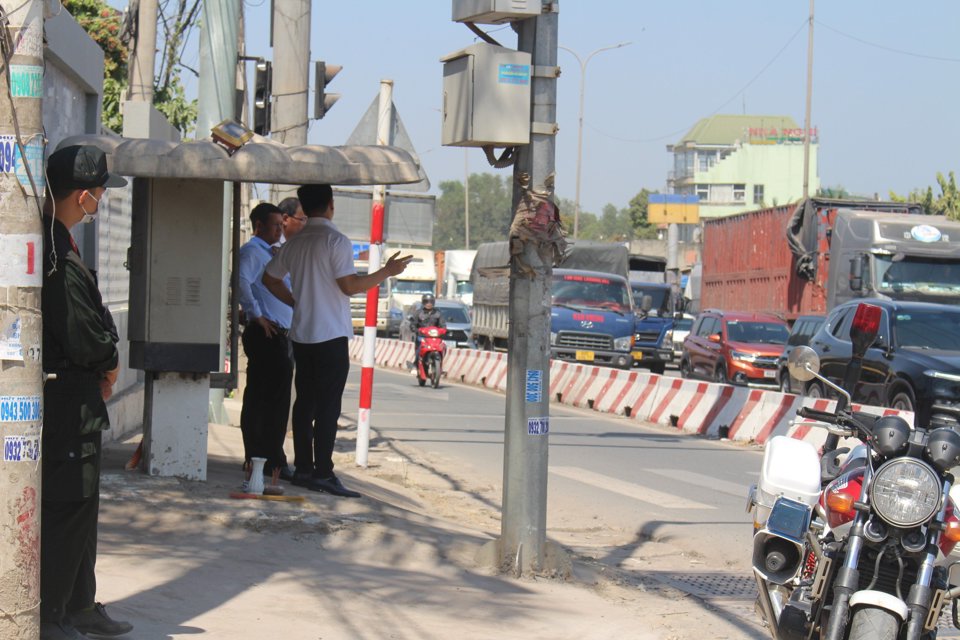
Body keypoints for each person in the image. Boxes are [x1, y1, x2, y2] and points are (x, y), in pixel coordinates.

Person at [262, 184, 411, 498]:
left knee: (304, 403)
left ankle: (303, 468)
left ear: (305, 205)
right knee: (328, 406)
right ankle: (323, 472)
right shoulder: (336, 241)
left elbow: (269, 279)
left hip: (302, 333)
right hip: (330, 335)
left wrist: (296, 302)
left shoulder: (295, 242)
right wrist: (386, 270)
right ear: (331, 205)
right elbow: (350, 286)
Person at [41, 144, 133, 640]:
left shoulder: (62, 244)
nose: (102, 201)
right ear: (84, 196)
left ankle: (78, 604)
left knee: (82, 507)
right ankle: (50, 612)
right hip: (68, 405)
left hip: (79, 403)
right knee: (67, 508)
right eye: (100, 193)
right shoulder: (55, 252)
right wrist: (109, 360)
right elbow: (82, 334)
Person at [237, 202, 295, 482]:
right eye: (275, 225)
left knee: (276, 400)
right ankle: (264, 458)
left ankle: (271, 456)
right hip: (266, 333)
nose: (279, 230)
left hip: (282, 333)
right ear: (259, 225)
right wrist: (255, 314)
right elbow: (240, 281)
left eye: (281, 226)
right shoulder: (252, 252)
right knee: (265, 400)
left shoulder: (274, 253)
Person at [410, 293, 446, 371]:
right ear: (423, 302)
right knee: (419, 348)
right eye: (426, 302)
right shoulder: (418, 313)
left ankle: (439, 366)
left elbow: (442, 325)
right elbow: (413, 324)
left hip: (434, 337)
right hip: (422, 337)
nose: (429, 304)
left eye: (430, 302)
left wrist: (443, 330)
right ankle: (416, 364)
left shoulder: (438, 313)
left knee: (443, 347)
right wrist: (416, 330)